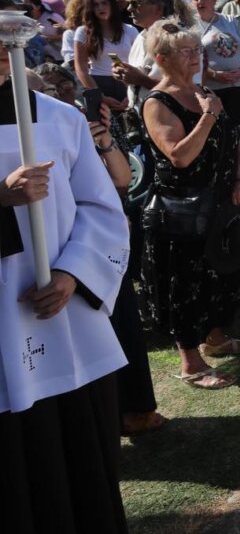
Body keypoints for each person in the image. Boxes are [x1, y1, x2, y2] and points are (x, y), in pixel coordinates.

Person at [0, 34, 132, 534]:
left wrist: (73, 273)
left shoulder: (59, 119)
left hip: (63, 318)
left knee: (78, 453)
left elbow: (102, 209)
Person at [139, 20, 240, 390]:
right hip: (180, 213)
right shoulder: (157, 103)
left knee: (220, 276)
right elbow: (179, 156)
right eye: (186, 52)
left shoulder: (205, 91)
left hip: (219, 205)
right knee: (184, 286)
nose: (196, 57)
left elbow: (236, 139)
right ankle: (190, 363)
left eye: (196, 50)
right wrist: (208, 115)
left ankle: (216, 338)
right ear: (162, 58)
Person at [190, 0, 240, 127]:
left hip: (238, 85)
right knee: (217, 128)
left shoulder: (230, 21)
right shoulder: (190, 26)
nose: (200, 2)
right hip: (211, 88)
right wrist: (213, 74)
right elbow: (191, 60)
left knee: (238, 127)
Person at [73, 0, 139, 104]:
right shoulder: (83, 32)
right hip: (97, 83)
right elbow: (81, 68)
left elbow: (139, 64)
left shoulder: (130, 30)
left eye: (104, 3)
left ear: (112, 5)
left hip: (128, 83)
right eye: (95, 5)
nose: (100, 8)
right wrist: (100, 96)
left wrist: (132, 94)